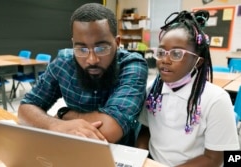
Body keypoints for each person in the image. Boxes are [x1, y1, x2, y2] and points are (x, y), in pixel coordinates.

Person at [17, 3, 148, 146]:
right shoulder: (63, 64)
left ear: (117, 43)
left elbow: (110, 131)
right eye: (82, 49)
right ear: (73, 44)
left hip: (119, 152)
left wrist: (64, 114)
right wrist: (54, 125)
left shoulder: (133, 65)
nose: (92, 59)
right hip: (72, 147)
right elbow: (25, 109)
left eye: (101, 48)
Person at [137, 10, 240, 166]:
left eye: (177, 54)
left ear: (197, 61)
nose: (165, 60)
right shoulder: (153, 90)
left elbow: (214, 159)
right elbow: (145, 130)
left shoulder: (216, 99)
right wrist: (142, 159)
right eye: (161, 52)